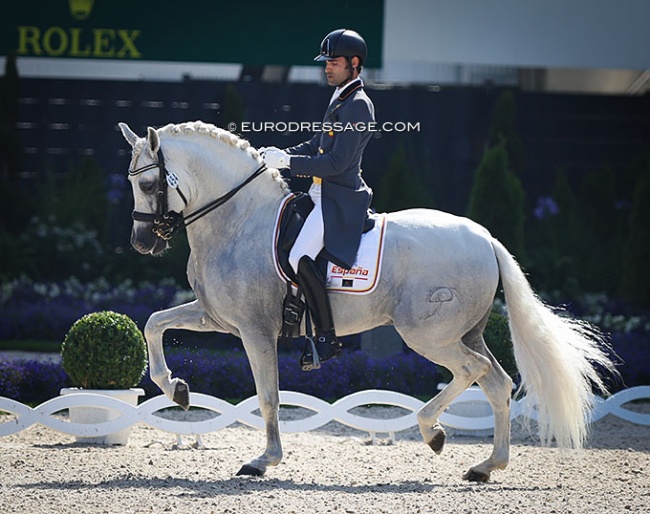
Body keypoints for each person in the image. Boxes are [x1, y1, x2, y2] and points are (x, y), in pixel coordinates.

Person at [262, 28, 375, 364]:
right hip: (318, 193)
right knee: (283, 239)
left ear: (354, 64)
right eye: (326, 61)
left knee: (299, 257)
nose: (327, 67)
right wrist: (279, 155)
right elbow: (316, 145)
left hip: (337, 198)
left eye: (334, 62)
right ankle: (294, 305)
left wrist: (289, 163)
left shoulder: (357, 105)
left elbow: (337, 163)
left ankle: (327, 339)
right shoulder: (340, 97)